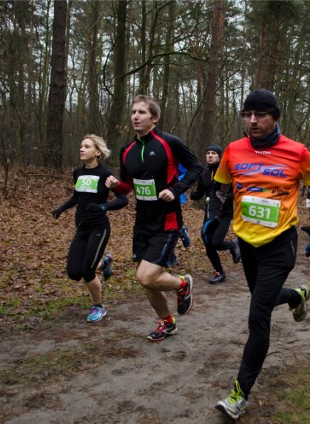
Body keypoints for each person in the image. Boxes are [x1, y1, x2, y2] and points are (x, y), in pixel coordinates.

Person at [212, 89, 310, 419]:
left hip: (280, 243)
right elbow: (222, 192)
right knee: (264, 297)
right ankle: (295, 296)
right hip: (248, 242)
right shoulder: (233, 151)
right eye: (246, 115)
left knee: (257, 314)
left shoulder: (297, 152)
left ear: (275, 117)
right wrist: (217, 225)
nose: (252, 121)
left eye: (259, 115)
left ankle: (239, 393)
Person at [105, 95, 204, 342]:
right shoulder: (126, 150)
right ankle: (167, 323)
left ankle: (182, 284)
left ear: (155, 118)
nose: (135, 116)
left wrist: (176, 189)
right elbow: (128, 187)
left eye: (142, 112)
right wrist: (116, 185)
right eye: (133, 112)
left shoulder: (169, 142)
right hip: (142, 221)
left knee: (146, 276)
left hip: (167, 220)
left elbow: (196, 167)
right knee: (147, 282)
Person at [52, 134, 129, 322]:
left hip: (99, 227)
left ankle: (98, 307)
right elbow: (77, 196)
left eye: (86, 146)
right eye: (81, 146)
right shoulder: (78, 172)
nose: (82, 149)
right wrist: (61, 209)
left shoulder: (105, 174)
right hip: (82, 227)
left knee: (87, 271)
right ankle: (104, 263)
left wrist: (103, 207)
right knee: (73, 273)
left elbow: (123, 199)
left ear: (97, 152)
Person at [189, 144, 241, 284]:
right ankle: (220, 272)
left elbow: (235, 193)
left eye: (213, 153)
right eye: (208, 153)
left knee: (216, 242)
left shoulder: (226, 172)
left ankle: (233, 245)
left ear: (219, 156)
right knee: (207, 242)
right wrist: (194, 195)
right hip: (210, 213)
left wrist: (218, 198)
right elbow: (200, 191)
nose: (210, 155)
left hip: (224, 213)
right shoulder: (204, 173)